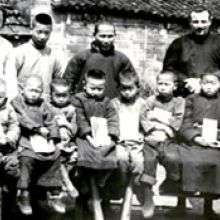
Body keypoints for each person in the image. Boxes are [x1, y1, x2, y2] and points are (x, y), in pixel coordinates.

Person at [11, 75, 65, 215]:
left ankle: (54, 193)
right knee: (26, 158)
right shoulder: (17, 102)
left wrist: (53, 138)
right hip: (25, 137)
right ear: (22, 89)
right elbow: (21, 118)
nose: (34, 94)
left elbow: (51, 121)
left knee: (55, 156)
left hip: (43, 139)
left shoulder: (43, 104)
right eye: (31, 90)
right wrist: (37, 128)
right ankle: (23, 194)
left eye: (38, 91)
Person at [140, 71, 185, 218]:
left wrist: (159, 118)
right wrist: (159, 125)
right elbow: (144, 118)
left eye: (167, 84)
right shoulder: (151, 100)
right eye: (160, 84)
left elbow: (177, 122)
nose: (163, 87)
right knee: (148, 160)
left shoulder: (179, 102)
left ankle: (169, 182)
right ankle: (148, 196)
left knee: (173, 158)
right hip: (152, 138)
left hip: (168, 139)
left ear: (174, 86)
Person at [73, 69, 119, 207]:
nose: (96, 92)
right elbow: (80, 119)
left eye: (100, 89)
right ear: (84, 85)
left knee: (111, 153)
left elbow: (113, 119)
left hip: (102, 135)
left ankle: (101, 180)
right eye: (92, 88)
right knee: (86, 154)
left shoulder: (106, 102)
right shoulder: (78, 99)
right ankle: (85, 183)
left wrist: (111, 135)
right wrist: (88, 136)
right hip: (85, 137)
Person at [179, 71, 220, 217]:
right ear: (200, 84)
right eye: (205, 83)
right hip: (193, 142)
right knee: (185, 161)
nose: (209, 87)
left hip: (215, 143)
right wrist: (195, 137)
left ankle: (208, 206)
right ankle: (180, 203)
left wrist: (217, 139)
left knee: (215, 163)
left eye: (213, 83)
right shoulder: (191, 99)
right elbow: (185, 122)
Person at [64, 22, 135, 98]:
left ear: (115, 36)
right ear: (94, 35)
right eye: (102, 36)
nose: (106, 40)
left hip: (111, 106)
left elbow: (132, 83)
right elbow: (67, 82)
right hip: (84, 105)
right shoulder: (82, 57)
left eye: (110, 36)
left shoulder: (122, 59)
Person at [163, 6, 220, 97]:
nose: (200, 26)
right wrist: (186, 80)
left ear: (210, 22)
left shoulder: (218, 42)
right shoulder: (178, 43)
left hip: (215, 96)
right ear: (190, 23)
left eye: (203, 21)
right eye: (195, 22)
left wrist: (206, 80)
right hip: (186, 94)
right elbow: (168, 68)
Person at [5, 13, 63, 100]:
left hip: (45, 104)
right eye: (39, 32)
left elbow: (57, 82)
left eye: (46, 33)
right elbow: (10, 80)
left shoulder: (54, 55)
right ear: (31, 29)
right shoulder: (19, 52)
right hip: (22, 103)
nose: (43, 36)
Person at [111, 71, 145, 183]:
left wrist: (142, 135)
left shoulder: (141, 104)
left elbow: (145, 123)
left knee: (138, 162)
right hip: (120, 141)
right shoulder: (115, 103)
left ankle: (131, 188)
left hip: (136, 142)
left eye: (130, 89)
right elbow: (111, 122)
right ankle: (123, 184)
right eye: (123, 89)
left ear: (137, 88)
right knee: (121, 159)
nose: (126, 92)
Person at [0, 78, 20, 219]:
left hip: (7, 148)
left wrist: (10, 137)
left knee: (13, 169)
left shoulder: (8, 108)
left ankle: (9, 205)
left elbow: (14, 125)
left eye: (1, 96)